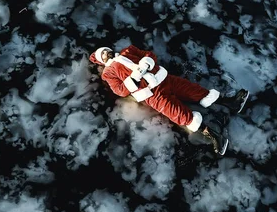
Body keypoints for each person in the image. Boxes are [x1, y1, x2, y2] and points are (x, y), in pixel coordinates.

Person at [89, 45, 249, 155]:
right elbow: (120, 90)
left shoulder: (128, 50)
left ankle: (231, 102)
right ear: (101, 60)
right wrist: (135, 77)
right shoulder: (108, 73)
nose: (105, 53)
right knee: (180, 115)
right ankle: (215, 136)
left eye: (105, 50)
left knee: (194, 90)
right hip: (152, 95)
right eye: (102, 54)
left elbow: (149, 54)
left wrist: (147, 62)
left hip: (164, 79)